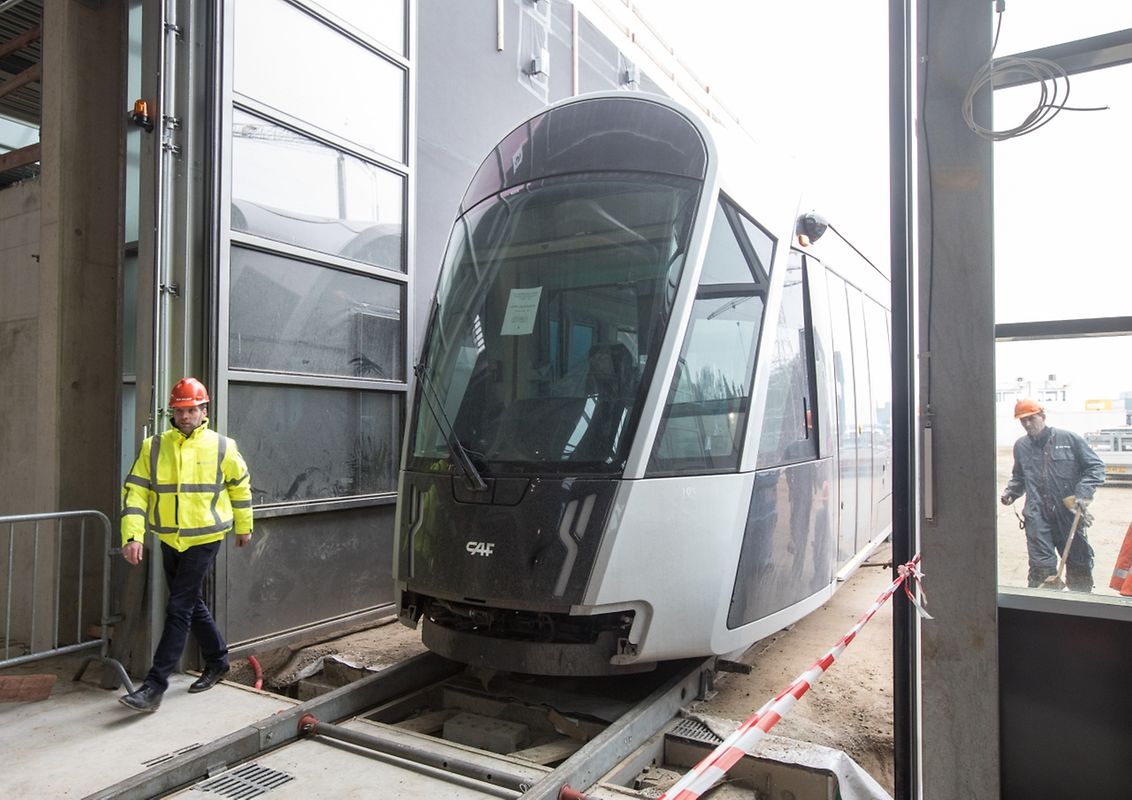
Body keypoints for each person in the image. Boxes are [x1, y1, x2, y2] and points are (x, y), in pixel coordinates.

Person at [118, 377, 253, 712]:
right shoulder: (155, 446)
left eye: (191, 409)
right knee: (191, 604)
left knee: (178, 608)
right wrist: (133, 535)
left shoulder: (222, 445)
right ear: (172, 412)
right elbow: (136, 491)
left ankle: (153, 686)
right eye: (179, 410)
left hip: (204, 538)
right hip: (169, 538)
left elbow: (240, 486)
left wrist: (244, 526)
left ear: (203, 410)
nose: (185, 416)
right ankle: (219, 660)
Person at [1000, 398, 1105, 591]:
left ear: (1043, 416)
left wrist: (1083, 494)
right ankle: (1042, 612)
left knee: (1078, 563)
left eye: (1031, 419)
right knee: (1041, 568)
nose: (1027, 424)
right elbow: (1019, 477)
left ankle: (1081, 607)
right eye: (1023, 421)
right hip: (1037, 514)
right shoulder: (1021, 446)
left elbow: (1095, 467)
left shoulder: (1069, 439)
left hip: (1068, 510)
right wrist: (1010, 493)